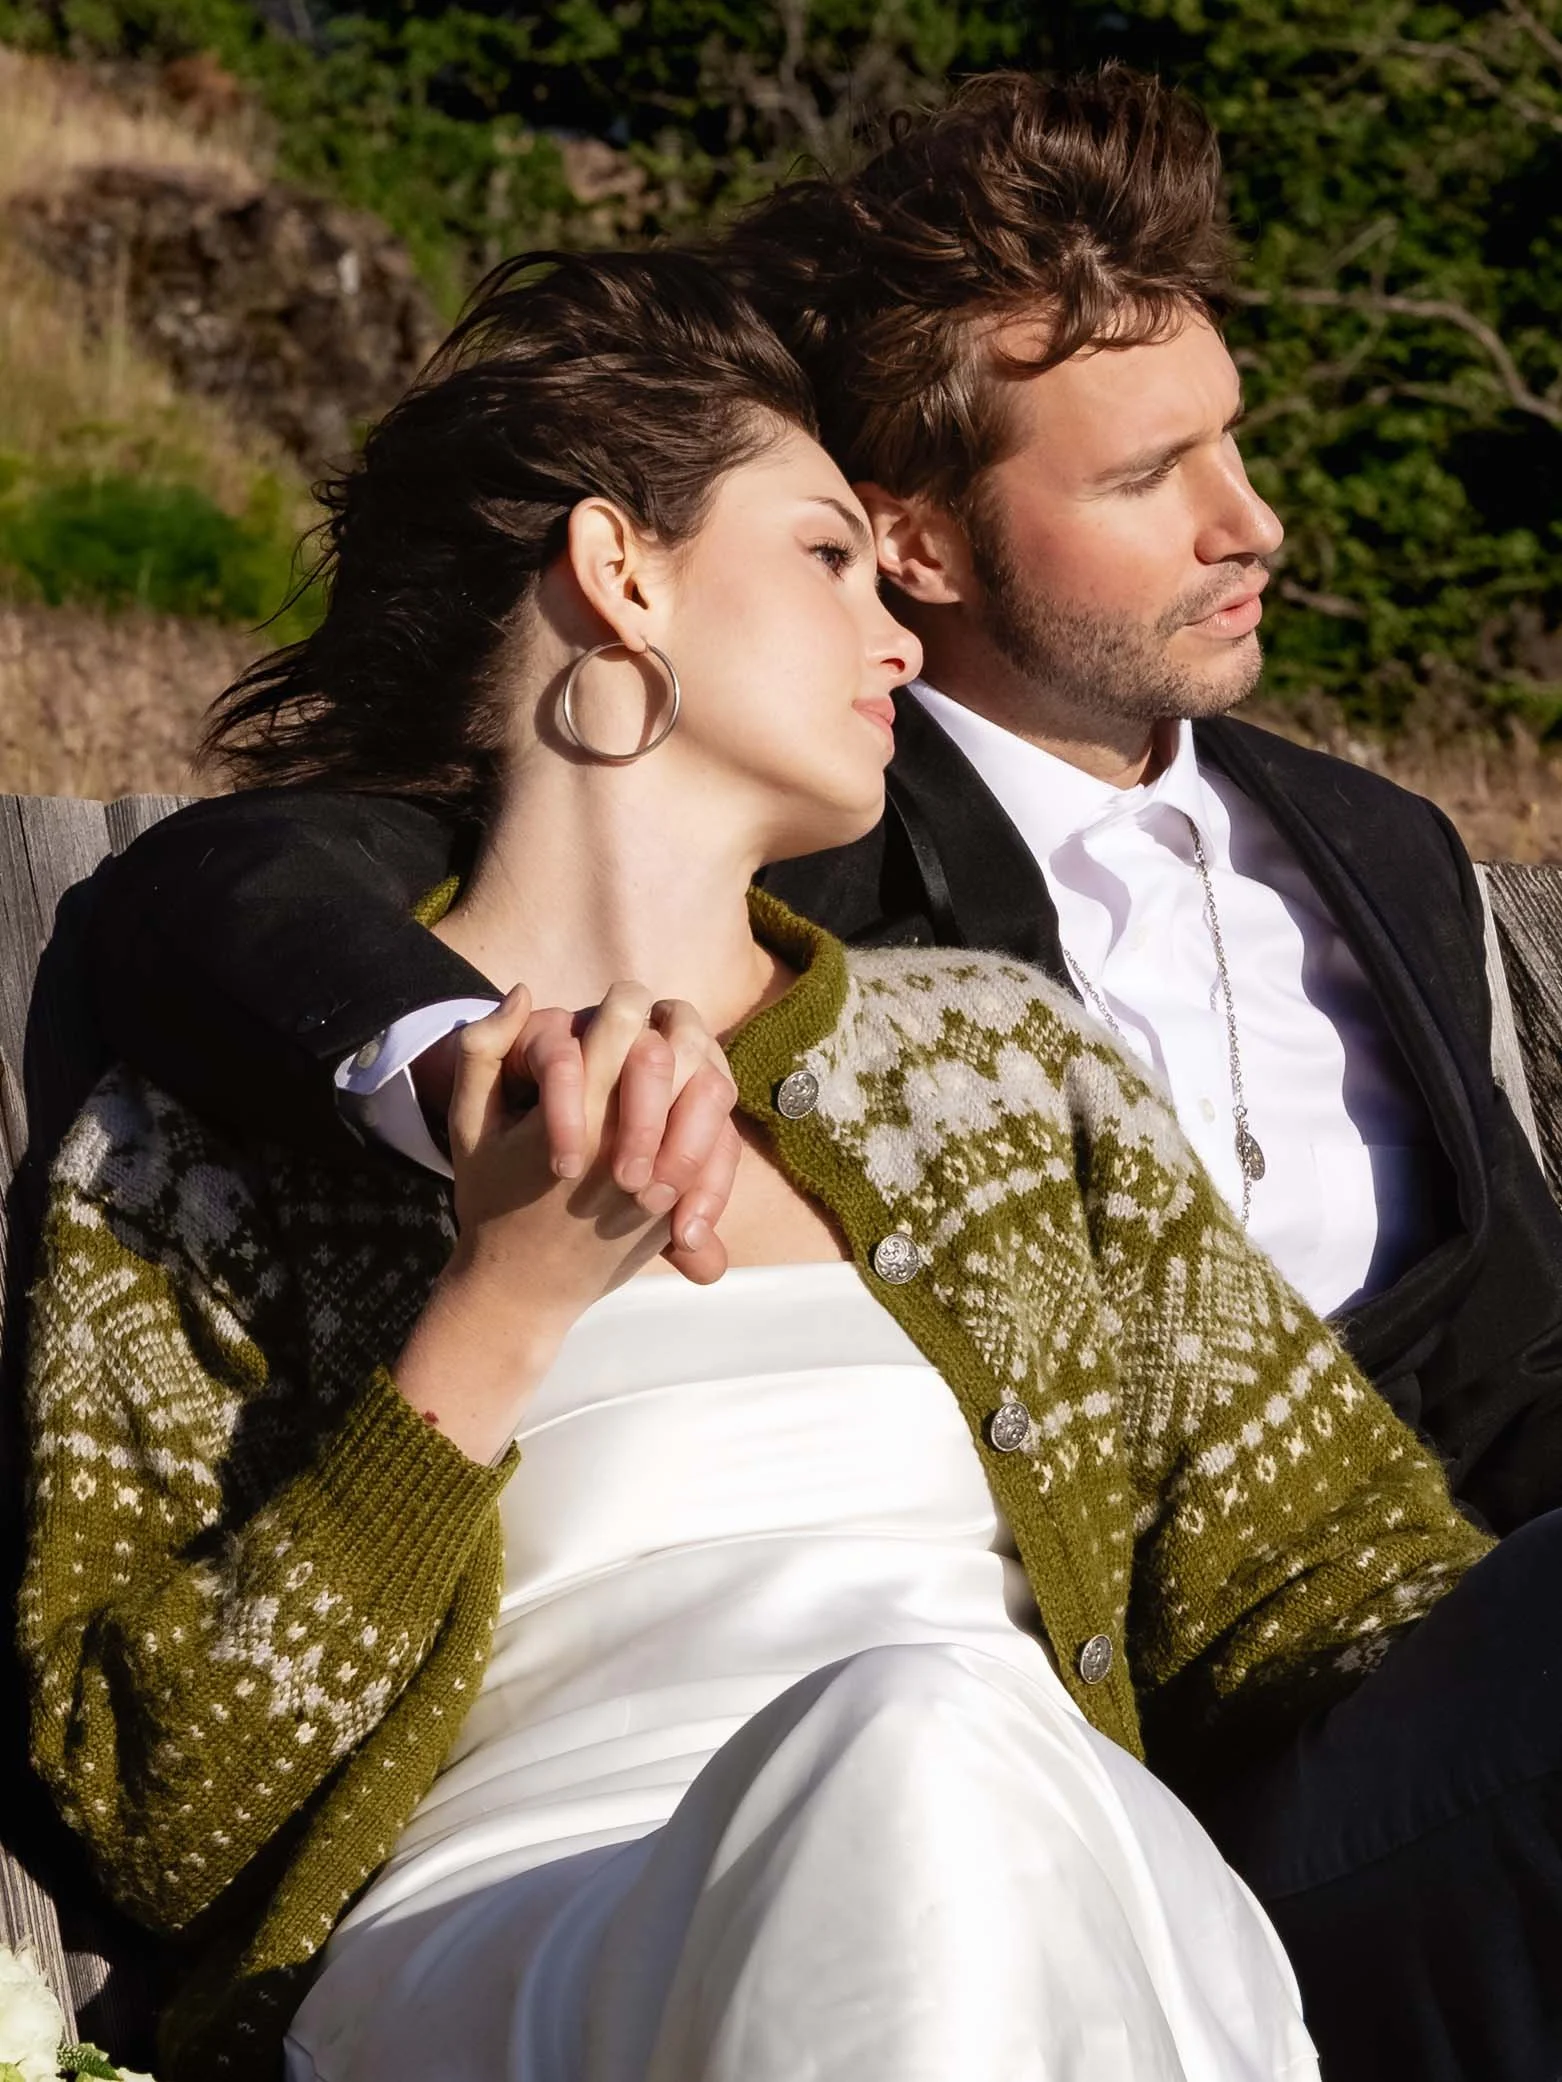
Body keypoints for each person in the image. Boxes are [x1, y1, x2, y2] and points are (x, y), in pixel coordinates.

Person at [71, 65, 1562, 2081]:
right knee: (914, 1741)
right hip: (532, 1932)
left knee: (956, 1762)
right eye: (829, 558)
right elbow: (162, 1816)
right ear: (624, 574)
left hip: (1080, 1879)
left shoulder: (993, 1073)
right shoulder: (214, 1140)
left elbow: (1335, 1587)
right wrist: (497, 1311)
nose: (894, 630)